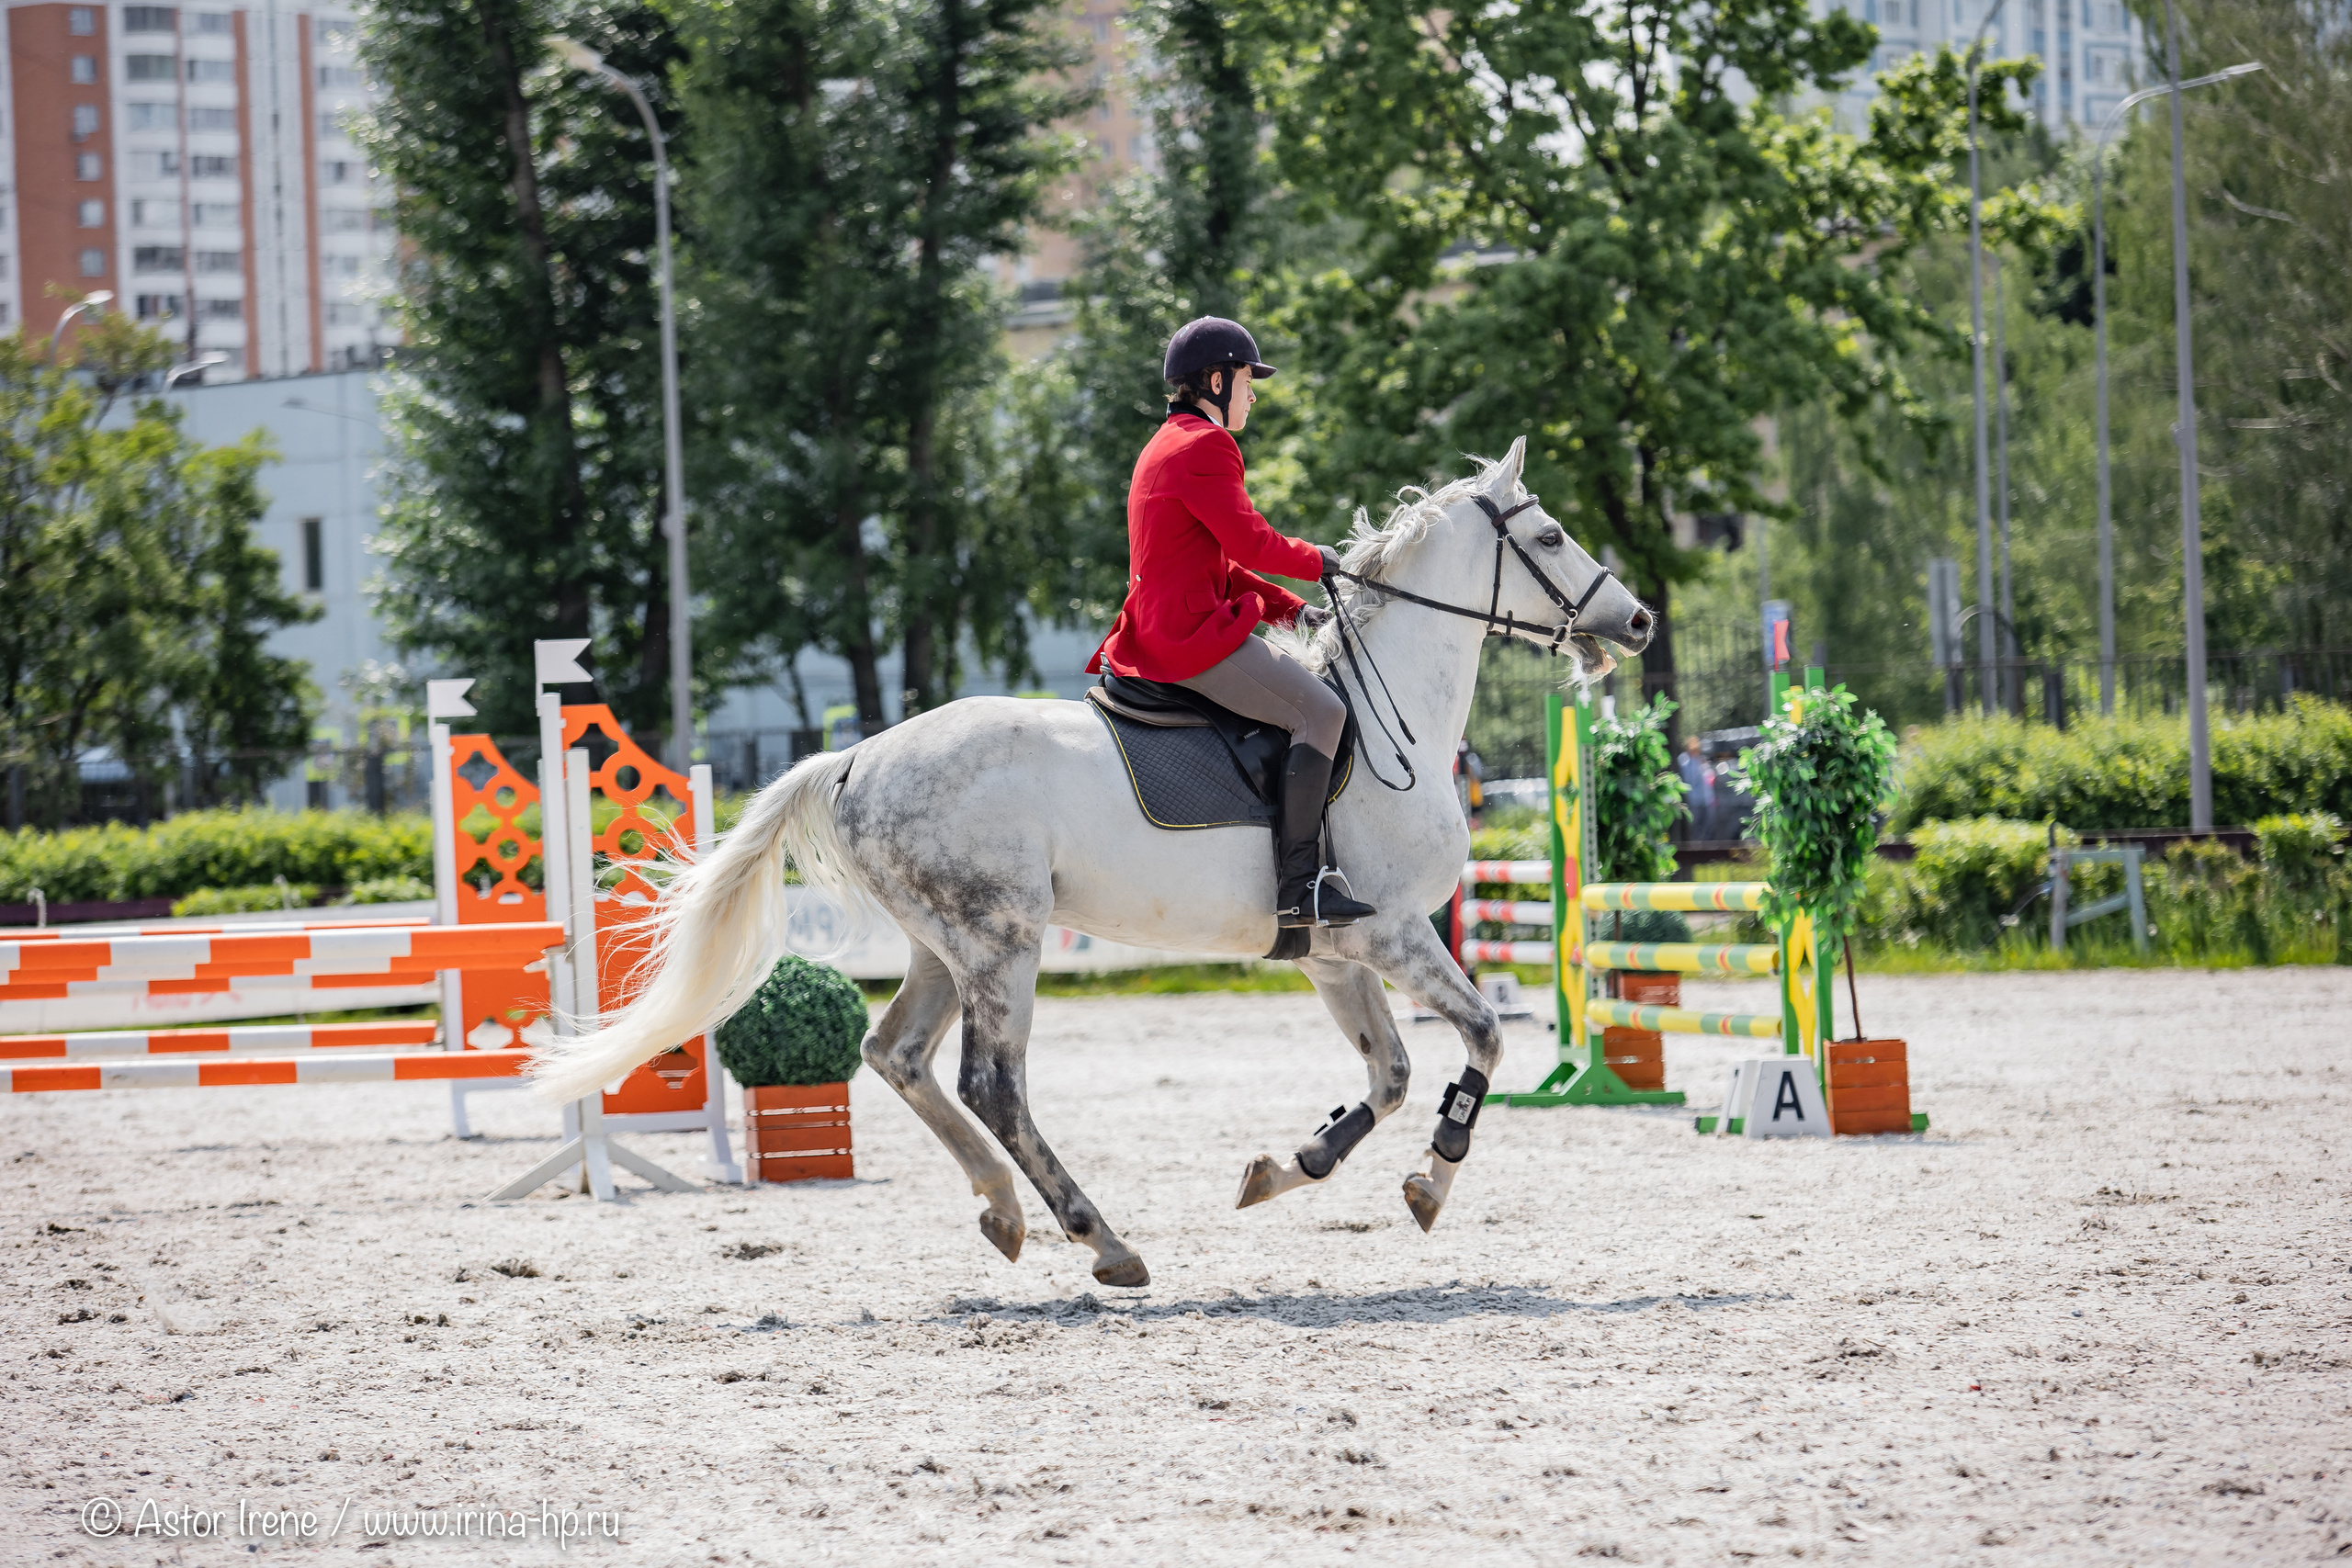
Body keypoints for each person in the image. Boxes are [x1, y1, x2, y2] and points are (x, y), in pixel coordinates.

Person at [1085, 316, 1376, 929]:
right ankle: (1300, 885)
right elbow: (1252, 544)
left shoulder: (1164, 443)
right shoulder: (1208, 446)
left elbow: (1214, 565)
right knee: (1322, 713)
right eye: (1248, 379)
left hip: (1156, 626)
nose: (1253, 393)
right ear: (1216, 380)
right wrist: (1321, 561)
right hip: (1190, 641)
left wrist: (1292, 608)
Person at [1679, 735, 1716, 841]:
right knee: (1694, 826)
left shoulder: (1701, 760)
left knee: (1707, 827)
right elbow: (1689, 780)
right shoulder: (1684, 761)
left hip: (1705, 800)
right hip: (1693, 800)